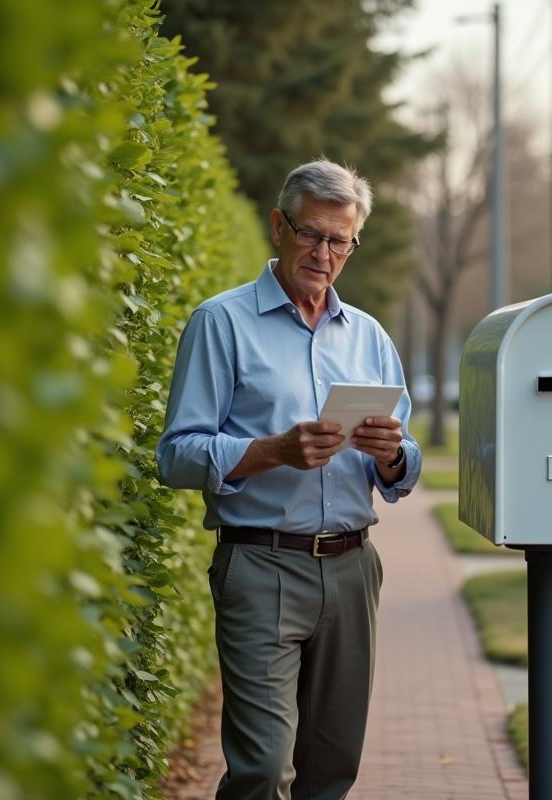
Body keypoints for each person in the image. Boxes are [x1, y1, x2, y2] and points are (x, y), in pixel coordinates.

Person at [156, 158, 421, 800]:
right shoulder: (220, 323)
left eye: (339, 240)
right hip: (261, 565)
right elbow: (176, 456)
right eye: (310, 233)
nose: (323, 252)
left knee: (332, 770)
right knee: (264, 770)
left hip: (354, 569)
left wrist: (392, 454)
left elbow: (403, 466)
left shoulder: (370, 338)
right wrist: (273, 451)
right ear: (279, 226)